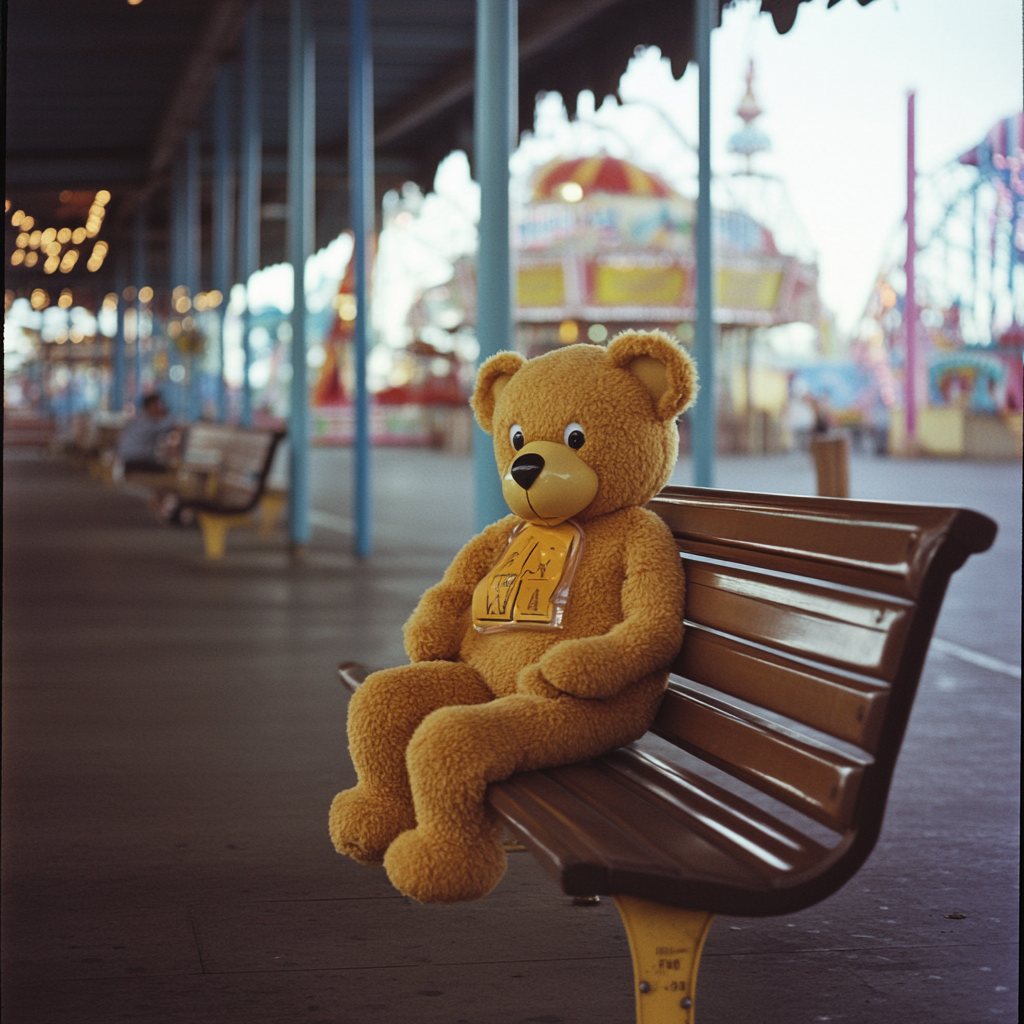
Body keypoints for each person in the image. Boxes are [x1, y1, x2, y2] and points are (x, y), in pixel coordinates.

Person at [117, 393, 177, 474]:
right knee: (169, 472)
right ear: (150, 405)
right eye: (157, 405)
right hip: (136, 462)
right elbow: (170, 424)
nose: (159, 408)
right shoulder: (147, 421)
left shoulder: (139, 416)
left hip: (127, 461)